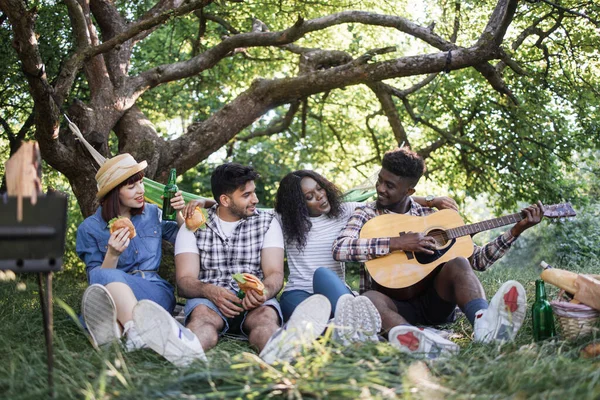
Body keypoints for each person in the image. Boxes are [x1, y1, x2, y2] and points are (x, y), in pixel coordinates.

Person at [332, 147, 543, 358]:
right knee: (368, 300)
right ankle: (423, 341)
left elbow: (478, 261)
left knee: (459, 262)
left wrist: (516, 230)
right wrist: (397, 242)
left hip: (436, 303)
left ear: (409, 192)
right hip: (393, 306)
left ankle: (484, 324)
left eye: (390, 186)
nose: (380, 188)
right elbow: (340, 248)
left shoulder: (433, 217)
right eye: (380, 180)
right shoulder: (366, 213)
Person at [275, 170, 458, 344]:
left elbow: (388, 202)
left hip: (334, 291)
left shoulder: (344, 211)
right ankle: (356, 335)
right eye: (309, 196)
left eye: (319, 188)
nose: (320, 196)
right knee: (307, 322)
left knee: (322, 274)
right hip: (299, 293)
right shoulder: (283, 220)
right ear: (296, 204)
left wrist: (431, 201)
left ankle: (351, 328)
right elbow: (251, 212)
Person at [173, 163, 331, 365]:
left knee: (265, 319)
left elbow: (274, 273)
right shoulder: (193, 225)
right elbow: (184, 281)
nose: (255, 200)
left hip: (255, 302)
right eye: (246, 195)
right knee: (202, 319)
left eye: (253, 193)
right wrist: (209, 291)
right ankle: (184, 352)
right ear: (225, 200)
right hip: (208, 302)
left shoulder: (267, 222)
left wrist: (263, 292)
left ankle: (282, 354)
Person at [76, 153, 206, 366]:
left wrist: (180, 212)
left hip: (153, 290)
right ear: (113, 192)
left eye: (140, 183)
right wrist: (113, 254)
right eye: (131, 186)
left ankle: (133, 332)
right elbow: (97, 282)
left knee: (101, 278)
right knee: (100, 276)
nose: (141, 190)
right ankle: (123, 338)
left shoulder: (153, 213)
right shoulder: (89, 228)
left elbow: (185, 240)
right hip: (113, 292)